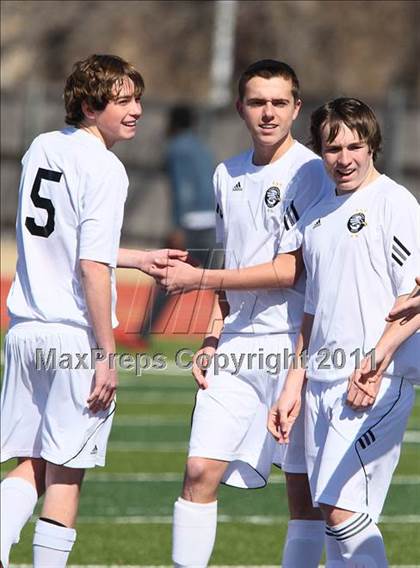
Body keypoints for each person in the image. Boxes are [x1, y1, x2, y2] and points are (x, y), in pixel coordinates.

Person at [0, 54, 186, 568]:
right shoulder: (105, 167)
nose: (137, 110)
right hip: (70, 338)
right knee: (66, 476)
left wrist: (137, 258)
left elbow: (65, 240)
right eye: (122, 101)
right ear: (88, 106)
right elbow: (89, 266)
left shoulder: (42, 145)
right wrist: (106, 354)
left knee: (33, 464)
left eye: (137, 99)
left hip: (25, 332)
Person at [152, 60, 333, 567]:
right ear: (240, 108)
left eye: (279, 102)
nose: (268, 113)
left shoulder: (313, 173)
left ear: (296, 108)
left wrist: (198, 280)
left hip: (294, 348)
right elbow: (229, 263)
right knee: (198, 471)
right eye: (257, 102)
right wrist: (212, 336)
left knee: (302, 494)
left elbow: (288, 271)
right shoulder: (225, 173)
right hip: (235, 345)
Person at [268, 97, 420, 566]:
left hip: (377, 381)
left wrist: (375, 364)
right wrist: (293, 384)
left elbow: (414, 299)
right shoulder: (316, 218)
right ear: (320, 151)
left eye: (355, 146)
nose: (345, 158)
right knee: (335, 524)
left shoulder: (395, 203)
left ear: (373, 145)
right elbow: (313, 310)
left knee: (340, 508)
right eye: (333, 149)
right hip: (320, 385)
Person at [141, 104, 218, 338]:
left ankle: (144, 333)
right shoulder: (203, 148)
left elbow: (182, 189)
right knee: (220, 282)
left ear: (173, 123)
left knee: (168, 275)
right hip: (213, 222)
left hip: (191, 224)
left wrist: (177, 225)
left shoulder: (176, 148)